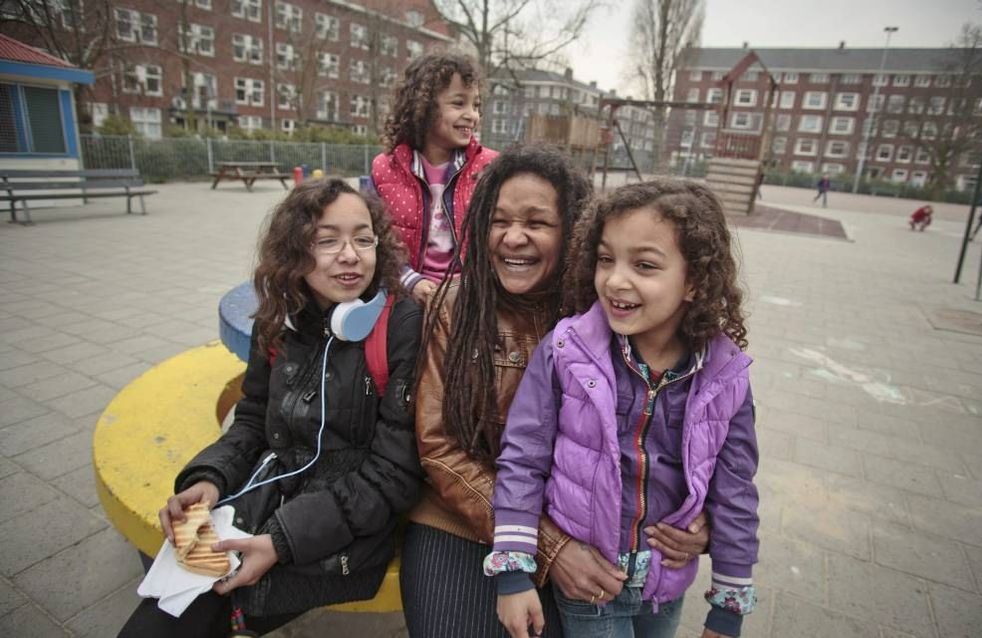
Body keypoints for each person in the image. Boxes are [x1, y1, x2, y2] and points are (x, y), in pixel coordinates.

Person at [400, 147, 710, 638]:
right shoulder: (457, 307)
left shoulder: (610, 312)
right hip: (458, 519)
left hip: (585, 525)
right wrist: (549, 546)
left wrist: (699, 520)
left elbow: (676, 430)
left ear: (574, 233)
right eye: (498, 220)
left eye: (536, 222)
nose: (513, 237)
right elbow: (438, 449)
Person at [119, 178, 423, 638]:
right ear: (295, 252)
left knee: (197, 613)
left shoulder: (400, 326)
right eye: (327, 241)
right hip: (266, 499)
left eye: (363, 238)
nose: (350, 254)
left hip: (343, 532)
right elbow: (252, 417)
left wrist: (281, 540)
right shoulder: (280, 318)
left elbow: (395, 475)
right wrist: (209, 477)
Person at [486, 180, 759, 638]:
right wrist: (513, 572)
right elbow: (522, 458)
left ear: (694, 281)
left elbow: (735, 491)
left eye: (645, 265)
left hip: (666, 586)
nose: (615, 280)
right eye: (606, 259)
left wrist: (728, 606)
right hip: (591, 585)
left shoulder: (724, 376)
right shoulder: (566, 353)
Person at [371, 52, 498, 305]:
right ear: (424, 108)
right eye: (459, 103)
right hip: (407, 292)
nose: (472, 115)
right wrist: (410, 281)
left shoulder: (490, 167)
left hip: (471, 292)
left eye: (476, 105)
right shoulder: (386, 169)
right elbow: (374, 239)